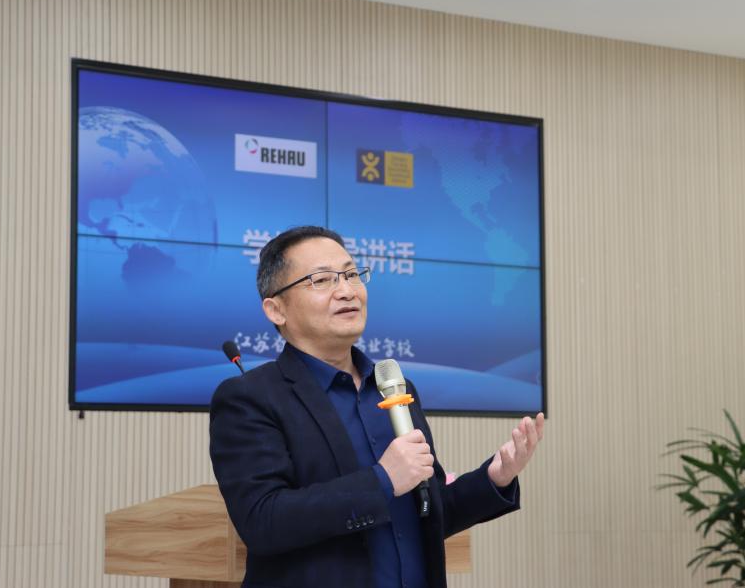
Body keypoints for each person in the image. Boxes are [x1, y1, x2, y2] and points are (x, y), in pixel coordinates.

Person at [209, 226, 545, 588]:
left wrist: (493, 478)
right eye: (321, 280)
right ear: (276, 309)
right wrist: (383, 480)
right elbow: (263, 522)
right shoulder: (250, 398)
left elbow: (427, 513)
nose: (347, 290)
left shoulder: (395, 387)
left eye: (352, 274)